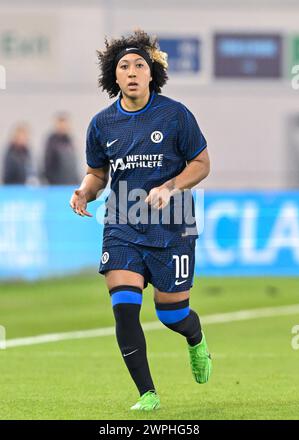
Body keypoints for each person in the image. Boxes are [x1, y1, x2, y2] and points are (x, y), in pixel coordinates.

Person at [70, 29, 212, 411]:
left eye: (139, 65)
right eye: (123, 67)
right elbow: (97, 173)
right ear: (113, 77)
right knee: (124, 306)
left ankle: (195, 338)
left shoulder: (176, 115)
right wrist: (85, 191)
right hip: (123, 221)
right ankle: (147, 393)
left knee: (172, 314)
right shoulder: (102, 124)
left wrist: (171, 186)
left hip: (174, 222)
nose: (131, 72)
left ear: (152, 74)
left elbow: (202, 164)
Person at [44, 113, 80, 185]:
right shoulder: (51, 142)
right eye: (61, 124)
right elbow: (47, 164)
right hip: (56, 184)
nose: (63, 127)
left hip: (71, 183)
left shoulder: (70, 141)